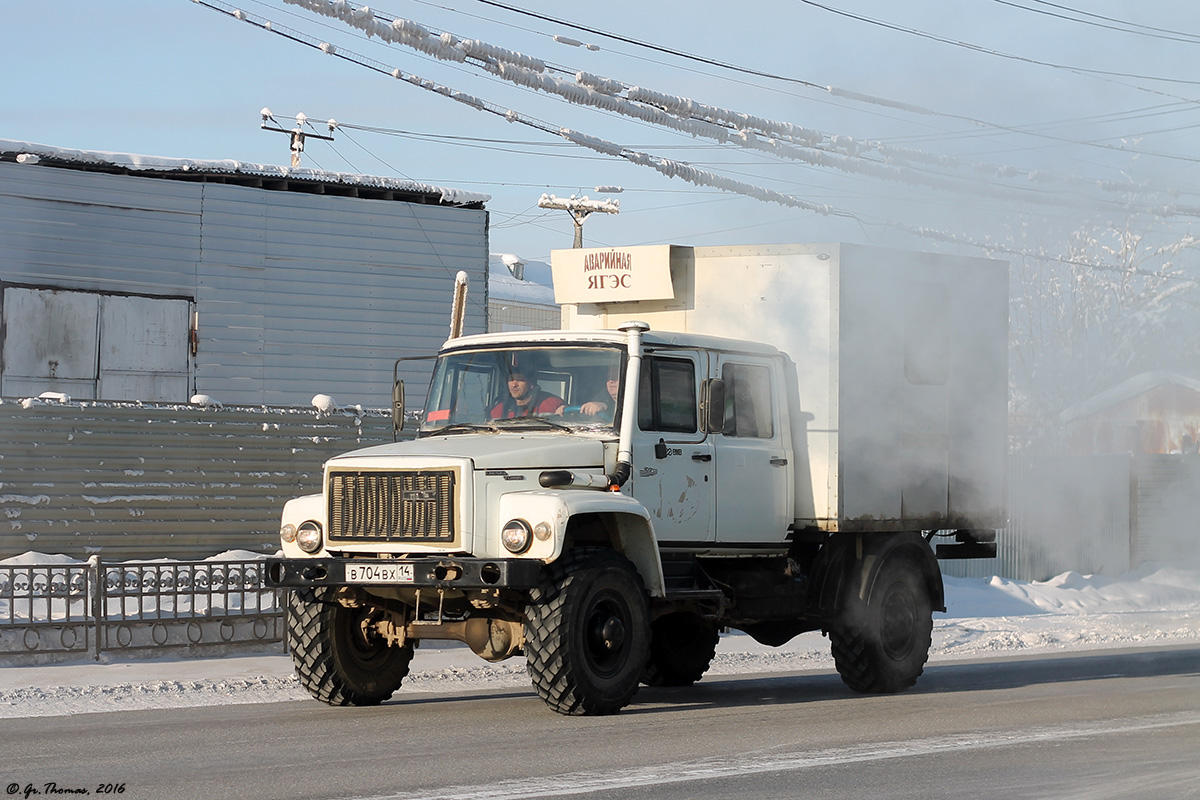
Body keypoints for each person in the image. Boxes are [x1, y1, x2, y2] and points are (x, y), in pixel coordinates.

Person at [490, 370, 564, 418]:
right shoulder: (498, 409)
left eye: (520, 380)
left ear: (531, 384)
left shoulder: (551, 403)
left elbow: (572, 418)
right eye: (511, 380)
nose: (514, 385)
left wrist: (563, 408)